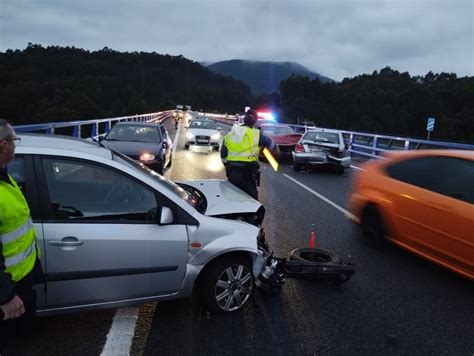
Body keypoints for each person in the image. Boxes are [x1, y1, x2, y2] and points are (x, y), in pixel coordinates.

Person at [0, 119, 42, 351]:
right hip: (8, 290)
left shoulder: (5, 177)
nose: (16, 145)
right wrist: (5, 296)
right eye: (14, 140)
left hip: (20, 281)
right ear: (4, 145)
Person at [220, 109, 275, 200]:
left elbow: (222, 155)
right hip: (247, 174)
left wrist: (228, 165)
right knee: (252, 202)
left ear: (244, 119)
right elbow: (271, 144)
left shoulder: (231, 134)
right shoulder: (256, 133)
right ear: (255, 121)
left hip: (232, 173)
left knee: (230, 199)